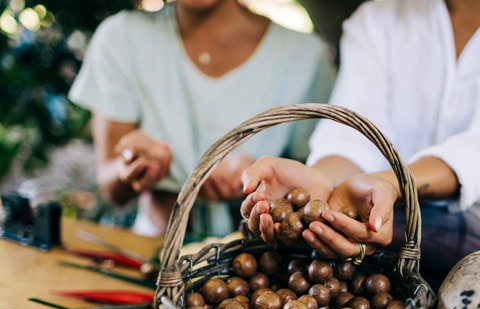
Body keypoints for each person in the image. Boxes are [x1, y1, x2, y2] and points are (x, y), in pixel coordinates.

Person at [240, 0, 480, 289]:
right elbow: (350, 138)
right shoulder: (381, 16)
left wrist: (393, 184)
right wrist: (317, 181)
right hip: (363, 270)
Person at [68, 0, 336, 237]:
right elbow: (111, 185)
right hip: (154, 249)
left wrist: (261, 178)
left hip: (263, 259)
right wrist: (132, 166)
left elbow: (320, 177)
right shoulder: (121, 38)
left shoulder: (306, 56)